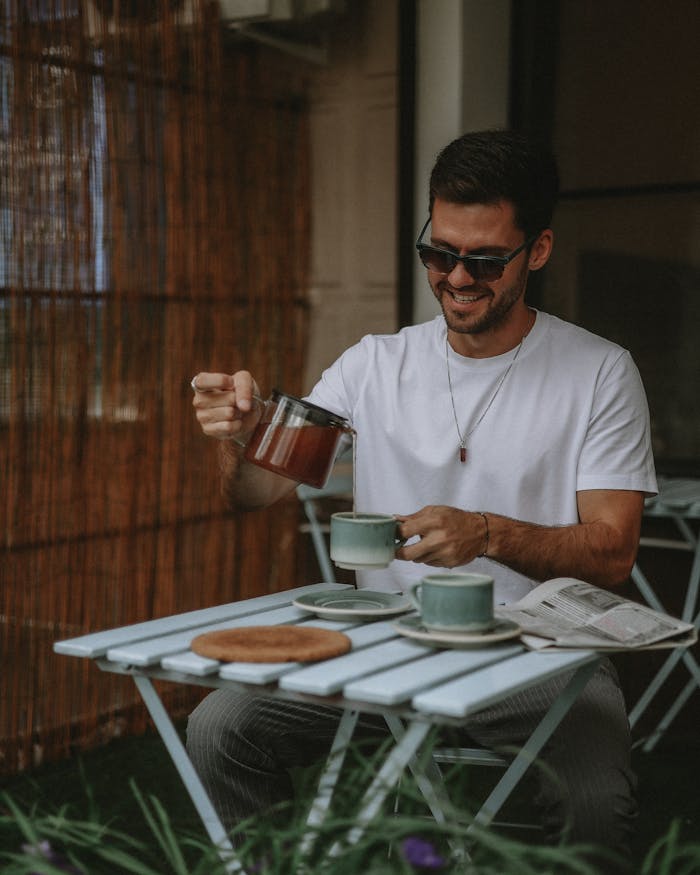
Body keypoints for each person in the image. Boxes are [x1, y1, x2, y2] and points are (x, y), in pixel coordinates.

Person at [188, 129, 657, 861]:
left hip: (540, 656)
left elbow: (613, 550)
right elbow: (258, 492)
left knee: (597, 801)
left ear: (537, 250)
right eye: (440, 253)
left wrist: (488, 532)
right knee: (221, 725)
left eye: (485, 259)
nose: (458, 278)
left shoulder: (599, 372)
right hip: (381, 645)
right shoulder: (374, 365)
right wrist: (243, 437)